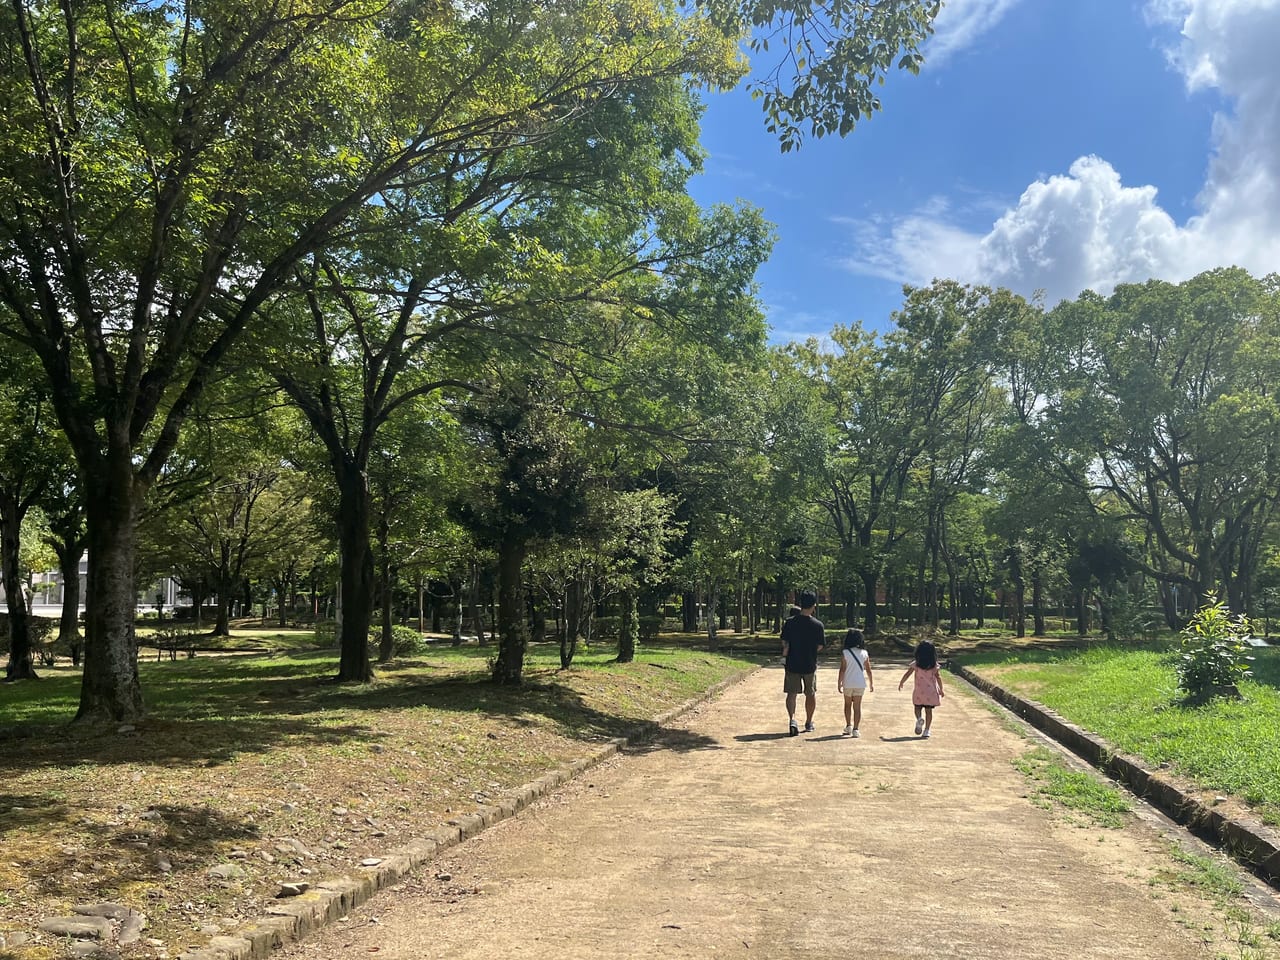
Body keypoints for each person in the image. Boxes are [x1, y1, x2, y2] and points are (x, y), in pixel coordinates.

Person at [781, 590, 824, 736]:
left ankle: (792, 719)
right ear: (814, 605)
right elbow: (820, 646)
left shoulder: (790, 623)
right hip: (809, 664)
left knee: (792, 693)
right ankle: (809, 721)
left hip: (792, 663)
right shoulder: (818, 625)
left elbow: (784, 642)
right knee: (810, 693)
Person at [898, 639, 944, 738]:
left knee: (917, 707)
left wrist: (902, 682)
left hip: (919, 691)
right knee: (929, 711)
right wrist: (941, 689)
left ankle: (919, 718)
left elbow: (907, 674)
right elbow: (938, 677)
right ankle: (927, 730)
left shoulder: (916, 663)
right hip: (930, 692)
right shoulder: (933, 665)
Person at [836, 628, 873, 737]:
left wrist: (839, 683)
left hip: (848, 682)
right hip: (860, 683)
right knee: (857, 707)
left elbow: (842, 669)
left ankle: (848, 726)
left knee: (847, 705)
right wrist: (871, 683)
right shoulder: (864, 653)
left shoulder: (845, 653)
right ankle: (856, 729)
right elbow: (868, 670)